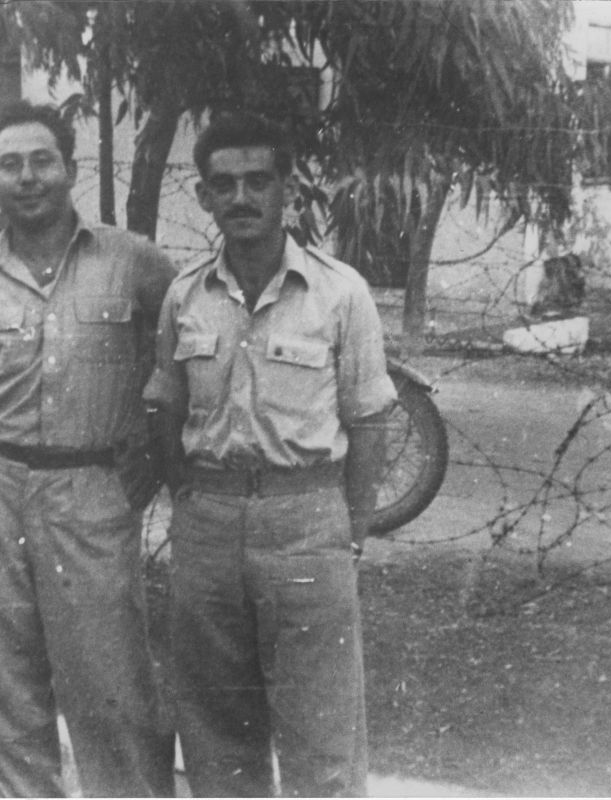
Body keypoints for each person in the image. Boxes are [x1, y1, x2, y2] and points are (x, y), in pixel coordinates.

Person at [0, 100, 176, 797]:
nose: (27, 177)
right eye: (11, 165)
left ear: (70, 169)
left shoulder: (133, 261)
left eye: (42, 161)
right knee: (4, 690)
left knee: (112, 688)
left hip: (90, 491)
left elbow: (185, 356)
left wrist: (153, 450)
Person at [144, 112, 396, 797]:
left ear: (288, 189)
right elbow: (166, 408)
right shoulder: (185, 295)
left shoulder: (340, 293)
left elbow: (369, 421)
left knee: (322, 733)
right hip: (209, 525)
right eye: (224, 184)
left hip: (305, 522)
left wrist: (350, 531)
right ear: (204, 196)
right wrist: (192, 499)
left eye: (258, 180)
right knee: (216, 732)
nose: (242, 196)